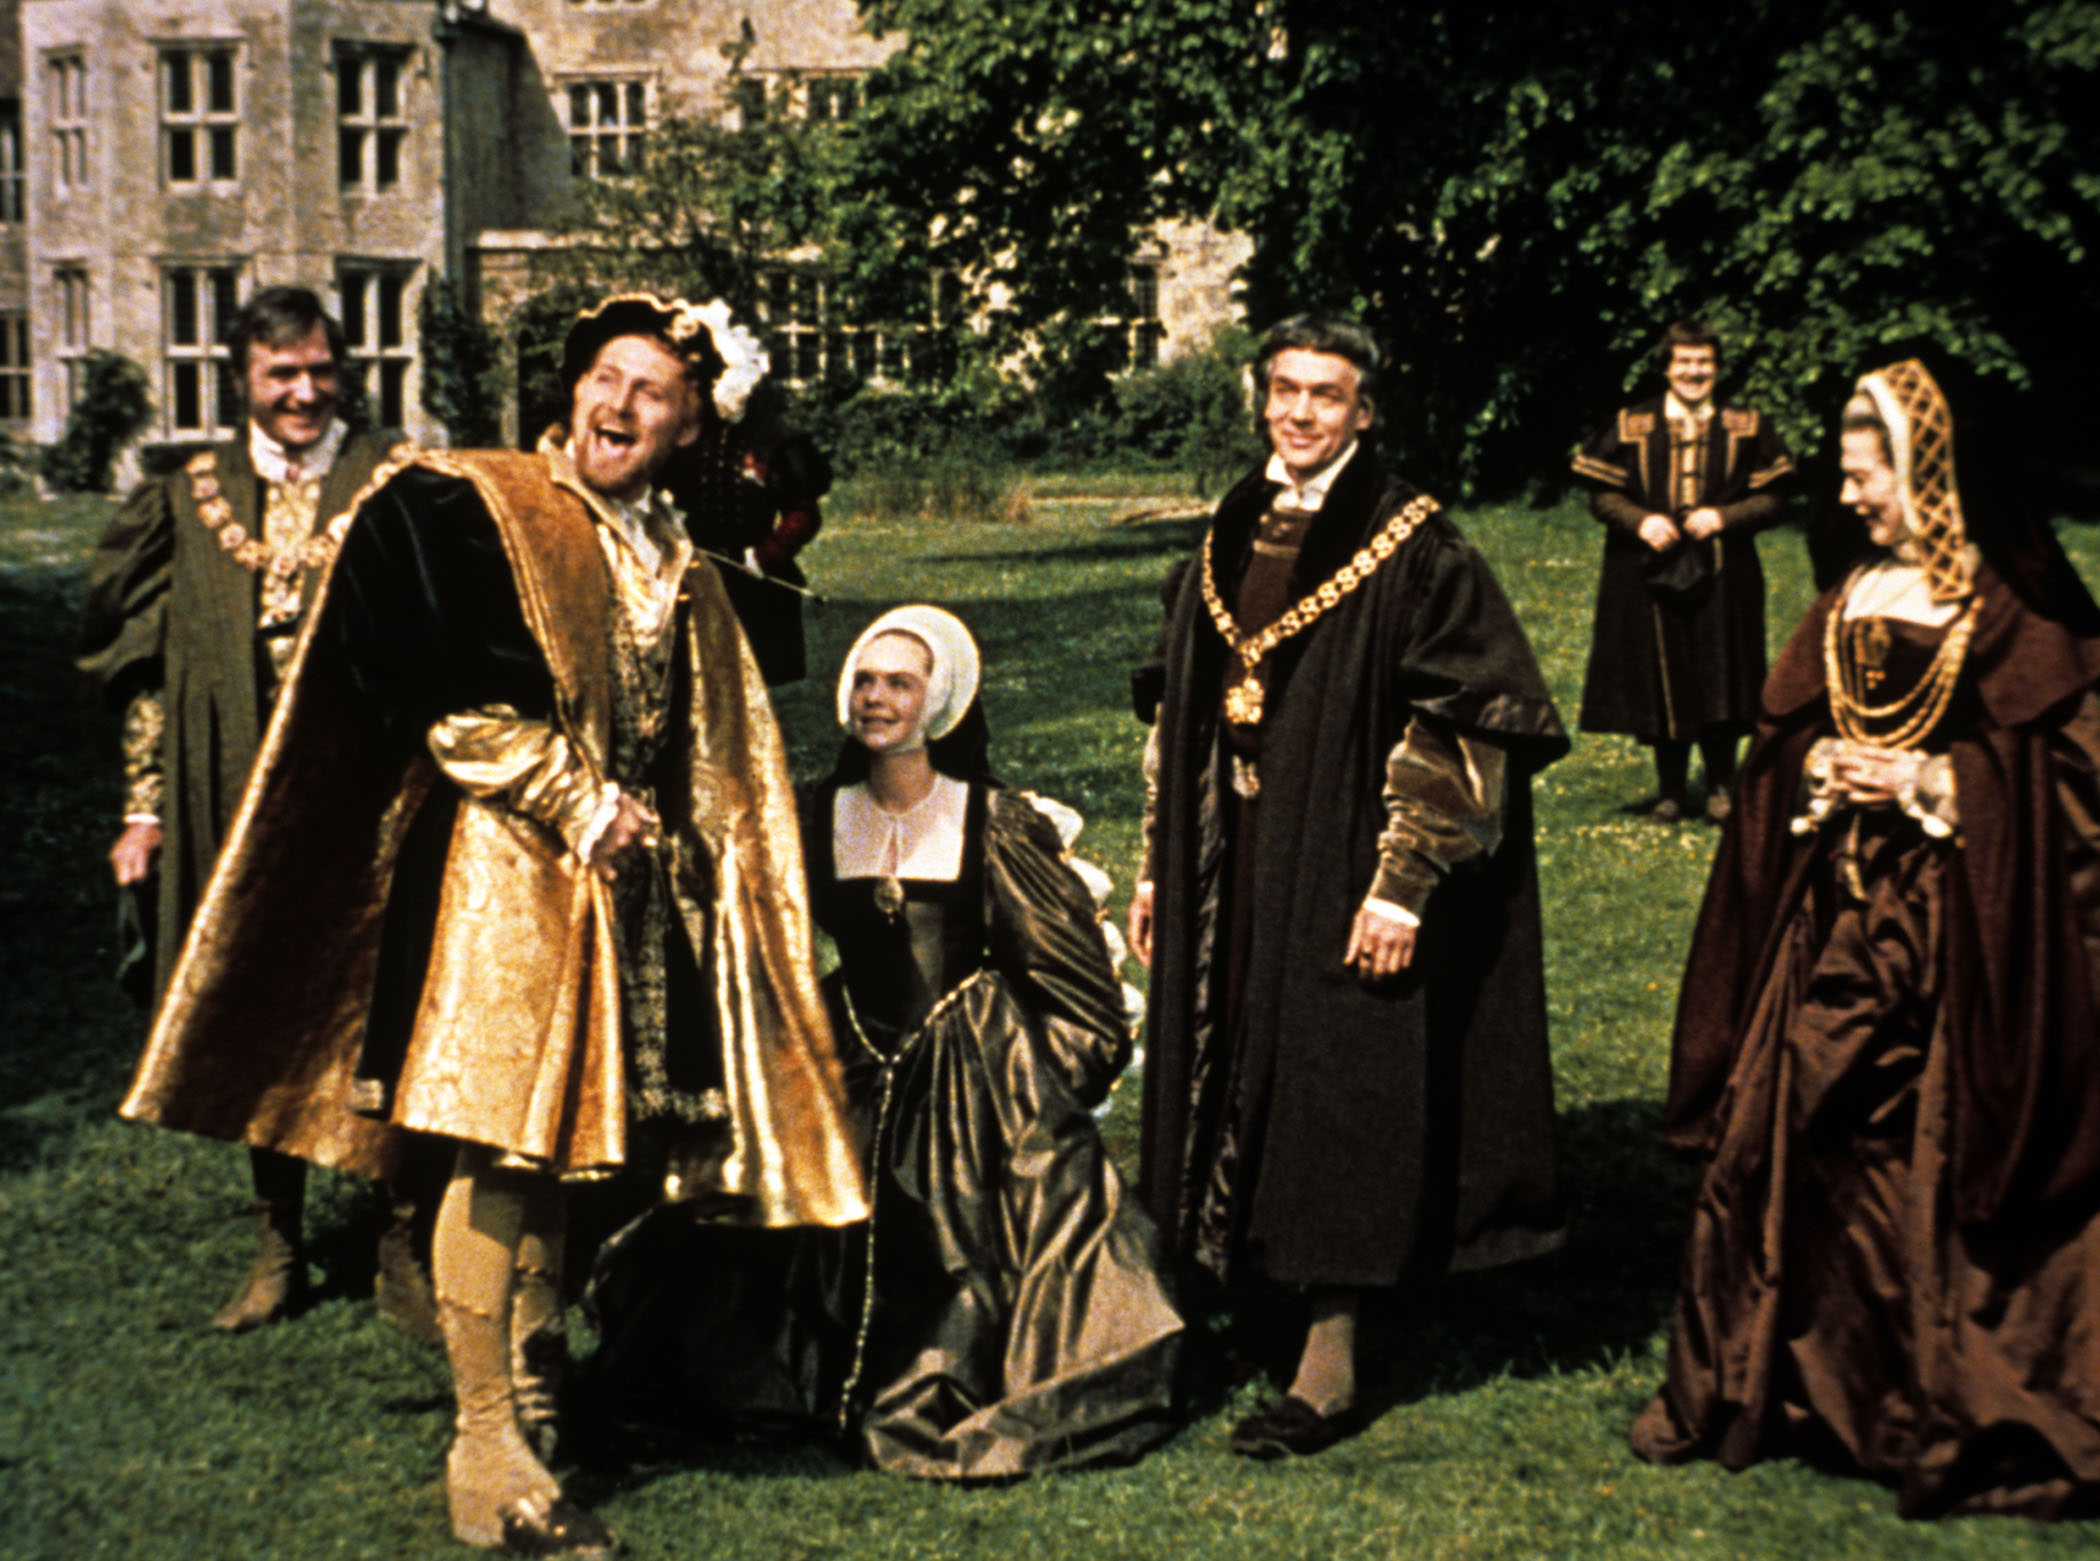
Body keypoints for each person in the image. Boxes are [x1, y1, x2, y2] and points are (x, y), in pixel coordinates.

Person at [117, 291, 867, 1554]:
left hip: (610, 890)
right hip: (501, 877)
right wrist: (579, 799)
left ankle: (534, 1381)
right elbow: (447, 698)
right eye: (603, 377)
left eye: (652, 393)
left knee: (566, 1148)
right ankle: (484, 1448)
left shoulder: (671, 549)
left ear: (689, 427)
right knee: (501, 1147)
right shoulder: (487, 505)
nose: (617, 404)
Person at [1631, 359, 2100, 1518]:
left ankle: (1935, 1400)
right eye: (1844, 479)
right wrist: (1819, 766)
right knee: (1799, 1125)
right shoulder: (1855, 594)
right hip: (1834, 910)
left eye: (1867, 478)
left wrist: (1942, 780)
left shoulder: (2015, 609)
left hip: (1962, 931)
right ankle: (1802, 1382)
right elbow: (1782, 742)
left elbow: (2074, 778)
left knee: (1933, 1154)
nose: (1848, 500)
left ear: (1933, 473)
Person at [584, 605, 1183, 1478]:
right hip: (850, 1043)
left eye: (899, 683)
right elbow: (746, 915)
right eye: (864, 680)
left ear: (938, 701)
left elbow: (1071, 979)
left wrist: (1037, 1086)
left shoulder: (990, 819)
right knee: (769, 1223)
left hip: (972, 1061)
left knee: (965, 1240)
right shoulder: (816, 813)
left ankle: (953, 1366)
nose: (876, 698)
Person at [1129, 314, 1568, 1458]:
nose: (1300, 412)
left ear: (1365, 412)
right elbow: (1180, 704)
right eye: (1284, 389)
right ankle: (1228, 1294)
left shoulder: (1415, 545)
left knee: (1337, 1073)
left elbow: (1465, 722)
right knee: (1227, 1049)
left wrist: (1402, 883)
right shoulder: (1232, 523)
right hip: (1229, 850)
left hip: (1342, 848)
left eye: (1326, 395)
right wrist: (1157, 863)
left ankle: (1330, 1357)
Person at [74, 285, 434, 1336]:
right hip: (235, 793)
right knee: (259, 1006)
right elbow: (146, 672)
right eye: (282, 374)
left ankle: (400, 1233)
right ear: (242, 378)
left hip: (372, 797)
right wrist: (145, 810)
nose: (305, 393)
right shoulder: (189, 497)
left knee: (389, 1006)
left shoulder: (397, 477)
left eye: (320, 370)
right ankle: (279, 1240)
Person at [1571, 320, 1796, 821]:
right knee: (1660, 673)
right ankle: (1671, 790)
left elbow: (1776, 497)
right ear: (1667, 367)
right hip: (1647, 572)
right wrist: (1641, 521)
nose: (1694, 372)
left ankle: (1720, 787)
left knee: (1722, 672)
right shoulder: (1632, 423)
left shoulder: (1745, 424)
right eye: (1685, 362)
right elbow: (1602, 493)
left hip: (1725, 572)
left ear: (1717, 367)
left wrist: (1724, 517)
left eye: (1704, 362)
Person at [666, 378, 832, 685]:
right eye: (718, 383)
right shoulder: (686, 437)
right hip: (692, 572)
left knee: (754, 680)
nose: (724, 391)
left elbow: (803, 513)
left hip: (754, 577)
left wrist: (766, 555)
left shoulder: (774, 441)